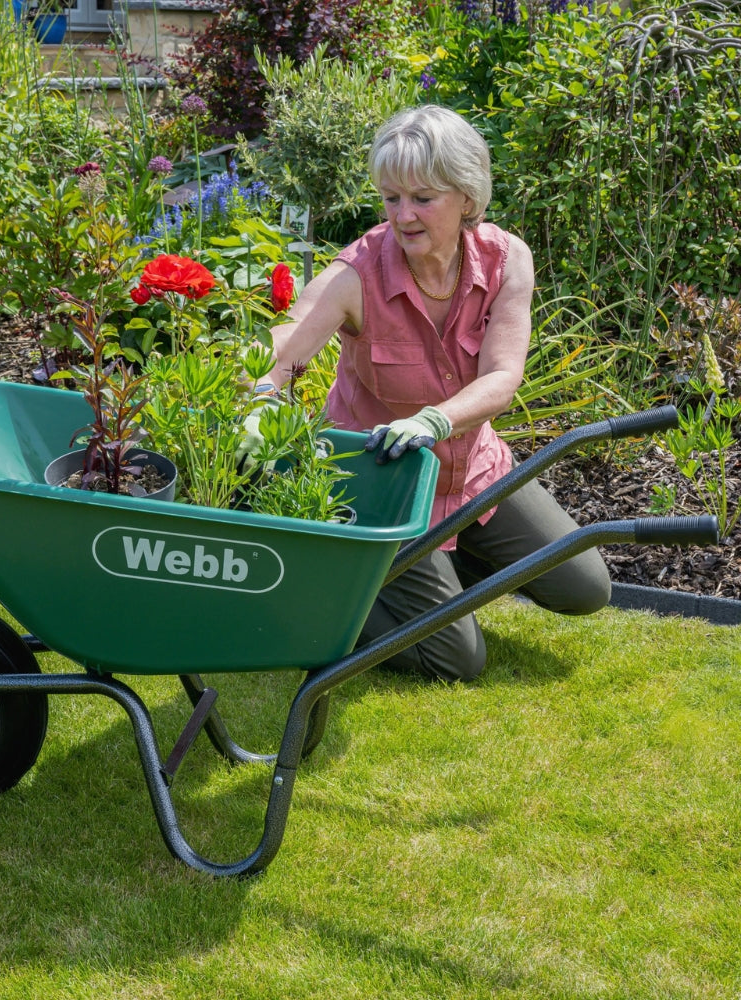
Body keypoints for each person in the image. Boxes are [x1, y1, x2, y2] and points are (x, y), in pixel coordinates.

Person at [256, 104, 611, 682]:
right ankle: (316, 593)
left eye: (422, 198)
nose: (403, 215)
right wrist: (260, 394)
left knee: (584, 586)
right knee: (456, 661)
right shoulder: (356, 276)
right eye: (391, 197)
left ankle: (419, 581)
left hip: (470, 469)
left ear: (466, 197)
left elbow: (502, 377)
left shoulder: (506, 261)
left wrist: (433, 421)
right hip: (383, 486)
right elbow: (279, 354)